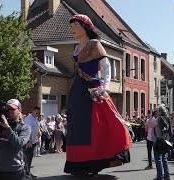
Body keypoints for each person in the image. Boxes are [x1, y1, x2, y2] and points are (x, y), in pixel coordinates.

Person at [65, 14, 130, 176]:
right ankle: (79, 161)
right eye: (71, 26)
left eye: (75, 26)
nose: (72, 29)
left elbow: (106, 66)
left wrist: (106, 87)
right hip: (78, 88)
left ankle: (100, 157)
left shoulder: (94, 44)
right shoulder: (75, 47)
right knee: (78, 124)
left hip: (93, 88)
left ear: (85, 27)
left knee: (99, 123)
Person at [0, 99, 31, 180]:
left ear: (20, 110)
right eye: (8, 109)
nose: (10, 111)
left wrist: (7, 128)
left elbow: (18, 144)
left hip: (15, 171)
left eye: (13, 109)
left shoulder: (25, 128)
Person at [148, 105, 172, 180]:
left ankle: (160, 176)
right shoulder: (167, 118)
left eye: (157, 111)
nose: (156, 112)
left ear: (160, 112)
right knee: (164, 158)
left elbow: (150, 125)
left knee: (158, 159)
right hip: (166, 140)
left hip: (158, 140)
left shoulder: (158, 119)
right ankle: (167, 176)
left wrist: (152, 117)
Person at [24, 106, 40, 177]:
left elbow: (36, 129)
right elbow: (28, 130)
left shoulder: (35, 119)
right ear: (33, 111)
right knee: (27, 157)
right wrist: (30, 141)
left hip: (33, 141)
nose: (37, 114)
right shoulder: (29, 119)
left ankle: (28, 172)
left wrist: (36, 139)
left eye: (38, 113)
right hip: (28, 141)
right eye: (36, 112)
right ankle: (26, 173)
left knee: (30, 157)